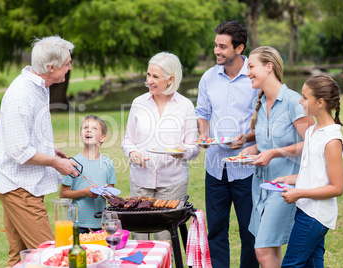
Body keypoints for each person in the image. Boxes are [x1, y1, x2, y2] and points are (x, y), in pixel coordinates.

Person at [0, 35, 79, 267]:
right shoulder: (22, 94)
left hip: (19, 184)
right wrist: (55, 162)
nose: (70, 67)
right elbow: (18, 151)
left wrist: (50, 150)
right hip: (21, 188)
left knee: (21, 257)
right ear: (51, 67)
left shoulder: (40, 86)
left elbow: (24, 136)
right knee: (51, 258)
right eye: (67, 63)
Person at [240, 46, 314, 268]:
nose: (247, 72)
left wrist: (273, 153)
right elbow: (267, 142)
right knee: (271, 248)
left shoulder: (293, 102)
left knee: (262, 250)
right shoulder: (261, 104)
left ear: (269, 66)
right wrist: (253, 150)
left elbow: (312, 143)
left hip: (286, 187)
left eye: (251, 67)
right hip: (261, 186)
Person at [195, 21, 260, 267]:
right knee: (216, 231)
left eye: (223, 46)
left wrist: (247, 138)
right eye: (215, 46)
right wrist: (203, 134)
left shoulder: (254, 78)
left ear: (239, 48)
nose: (217, 51)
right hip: (215, 168)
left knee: (249, 232)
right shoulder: (209, 78)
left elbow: (264, 120)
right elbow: (202, 111)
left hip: (247, 168)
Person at [121, 51, 200, 241]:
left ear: (170, 79)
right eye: (148, 75)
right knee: (140, 237)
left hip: (172, 183)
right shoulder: (138, 103)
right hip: (141, 179)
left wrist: (182, 153)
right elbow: (127, 140)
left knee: (164, 238)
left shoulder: (185, 106)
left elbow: (194, 148)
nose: (150, 80)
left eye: (155, 76)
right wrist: (133, 153)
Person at [273, 75, 343, 267]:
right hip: (305, 209)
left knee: (291, 264)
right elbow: (314, 174)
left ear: (320, 102)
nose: (300, 100)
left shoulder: (331, 139)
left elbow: (337, 188)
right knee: (312, 264)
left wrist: (299, 193)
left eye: (305, 97)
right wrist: (288, 179)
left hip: (315, 215)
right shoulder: (313, 130)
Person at [60, 115, 116, 234]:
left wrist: (106, 193)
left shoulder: (108, 163)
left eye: (94, 128)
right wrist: (84, 192)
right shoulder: (73, 163)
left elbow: (112, 195)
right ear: (80, 136)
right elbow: (63, 193)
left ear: (102, 138)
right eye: (85, 127)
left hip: (102, 223)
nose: (89, 130)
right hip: (78, 224)